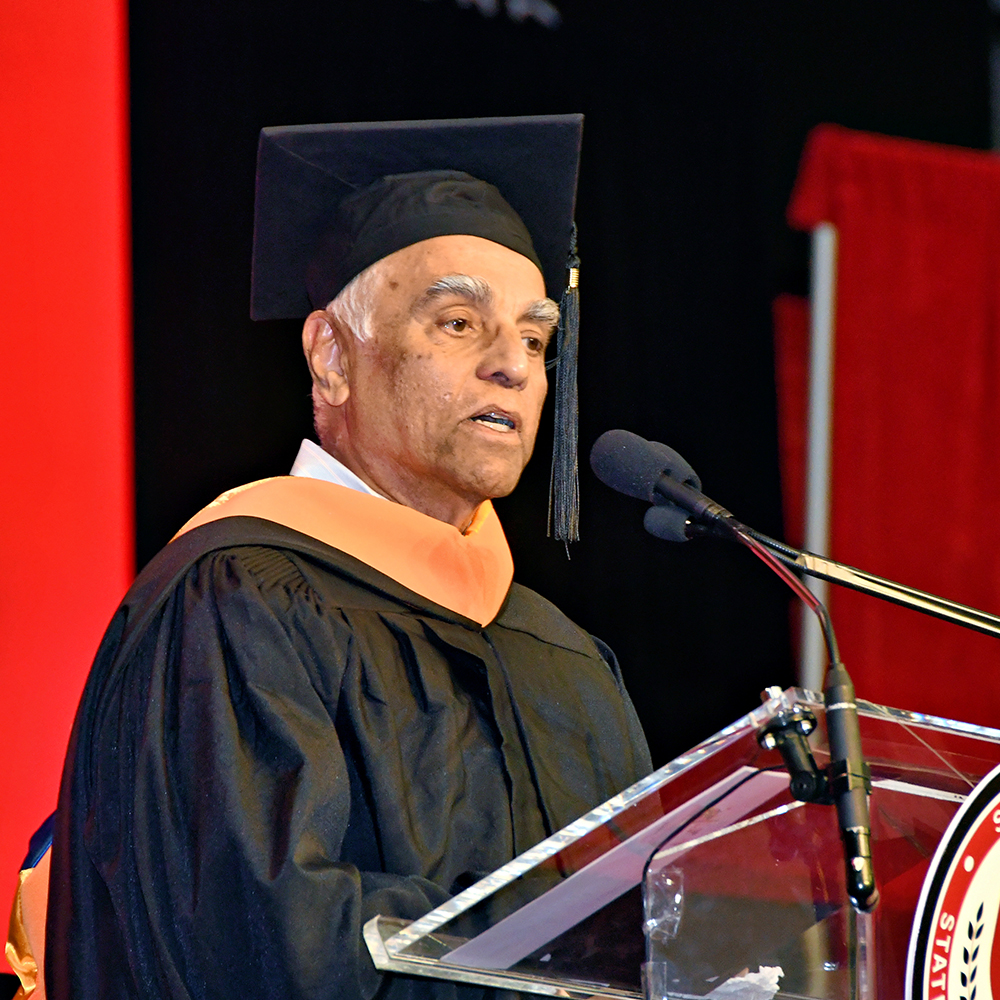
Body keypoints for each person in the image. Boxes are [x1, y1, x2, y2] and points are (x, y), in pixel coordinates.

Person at [40, 116, 652, 1000]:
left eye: (533, 339)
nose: (512, 368)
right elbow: (271, 944)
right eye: (458, 322)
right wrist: (566, 960)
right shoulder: (237, 598)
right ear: (331, 355)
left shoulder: (564, 659)